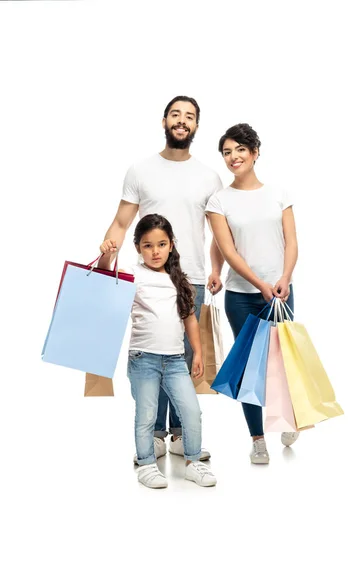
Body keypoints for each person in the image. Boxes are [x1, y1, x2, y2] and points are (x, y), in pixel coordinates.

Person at [98, 96, 224, 462]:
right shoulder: (141, 170)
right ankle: (154, 434)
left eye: (189, 116)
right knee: (153, 352)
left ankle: (181, 435)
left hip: (193, 277)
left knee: (182, 359)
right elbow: (122, 223)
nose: (182, 121)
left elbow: (220, 233)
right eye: (176, 114)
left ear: (196, 126)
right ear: (164, 121)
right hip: (147, 277)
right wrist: (109, 248)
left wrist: (217, 270)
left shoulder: (208, 177)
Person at [206, 123, 300, 464]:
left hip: (281, 293)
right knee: (250, 368)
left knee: (285, 360)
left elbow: (291, 242)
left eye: (240, 150)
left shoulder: (278, 194)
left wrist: (284, 278)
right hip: (241, 295)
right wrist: (258, 284)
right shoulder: (219, 200)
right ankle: (258, 439)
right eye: (227, 152)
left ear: (255, 152)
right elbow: (227, 249)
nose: (233, 158)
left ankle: (291, 419)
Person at [127, 214, 217, 488]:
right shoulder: (134, 275)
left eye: (161, 244)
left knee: (191, 411)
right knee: (147, 414)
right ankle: (146, 465)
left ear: (171, 245)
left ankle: (193, 462)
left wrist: (198, 353)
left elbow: (190, 319)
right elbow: (107, 280)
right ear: (138, 248)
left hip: (176, 360)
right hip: (143, 359)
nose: (155, 252)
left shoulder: (180, 280)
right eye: (148, 246)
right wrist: (106, 256)